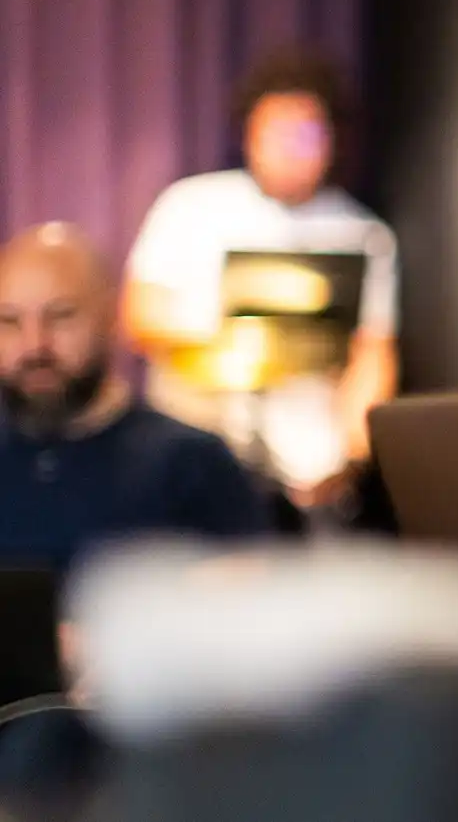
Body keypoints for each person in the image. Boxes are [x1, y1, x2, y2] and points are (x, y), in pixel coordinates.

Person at [122, 46, 399, 522]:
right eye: (275, 133)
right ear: (249, 135)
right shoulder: (191, 207)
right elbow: (138, 316)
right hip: (199, 457)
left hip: (311, 472)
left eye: (306, 135)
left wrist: (352, 460)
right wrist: (232, 327)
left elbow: (372, 355)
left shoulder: (363, 234)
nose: (291, 149)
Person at [0, 223, 272, 574]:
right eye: (9, 321)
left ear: (111, 316)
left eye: (61, 316)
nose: (35, 346)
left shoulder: (192, 463)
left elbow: (248, 604)